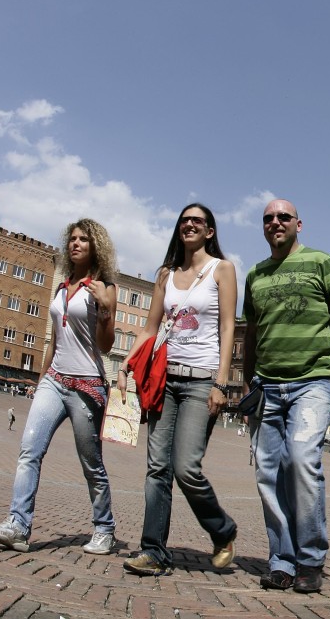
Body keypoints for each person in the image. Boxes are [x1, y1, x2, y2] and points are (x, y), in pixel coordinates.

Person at [243, 198, 330, 594]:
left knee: (301, 458)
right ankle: (281, 560)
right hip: (267, 386)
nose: (275, 222)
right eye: (268, 218)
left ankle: (311, 559)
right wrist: (248, 385)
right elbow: (249, 335)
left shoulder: (320, 262)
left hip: (313, 381)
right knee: (268, 473)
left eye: (283, 217)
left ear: (299, 224)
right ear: (263, 228)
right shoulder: (255, 274)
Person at [0, 219, 119, 554]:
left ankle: (105, 529)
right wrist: (40, 380)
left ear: (94, 246)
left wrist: (103, 309)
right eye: (72, 239)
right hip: (54, 381)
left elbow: (105, 345)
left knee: (91, 464)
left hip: (87, 385)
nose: (75, 244)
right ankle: (18, 525)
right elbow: (54, 341)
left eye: (83, 240)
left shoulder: (104, 286)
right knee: (30, 450)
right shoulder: (61, 288)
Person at [119, 204, 238, 577]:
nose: (189, 225)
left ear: (210, 231)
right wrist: (127, 361)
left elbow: (228, 330)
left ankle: (222, 529)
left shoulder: (223, 269)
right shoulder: (165, 275)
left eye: (197, 221)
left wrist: (220, 383)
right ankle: (153, 550)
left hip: (201, 380)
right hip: (165, 380)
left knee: (186, 468)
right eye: (184, 220)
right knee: (157, 467)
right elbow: (150, 327)